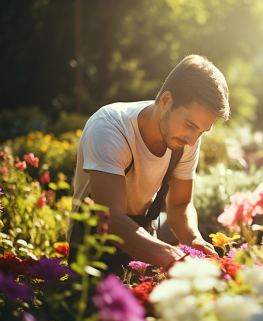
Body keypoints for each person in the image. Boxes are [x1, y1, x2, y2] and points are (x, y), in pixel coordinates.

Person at [67, 55, 229, 274]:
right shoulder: (109, 128)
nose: (192, 139)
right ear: (166, 101)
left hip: (142, 238)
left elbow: (180, 204)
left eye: (201, 131)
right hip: (93, 244)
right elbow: (110, 219)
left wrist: (194, 240)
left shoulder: (187, 138)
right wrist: (172, 256)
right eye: (190, 124)